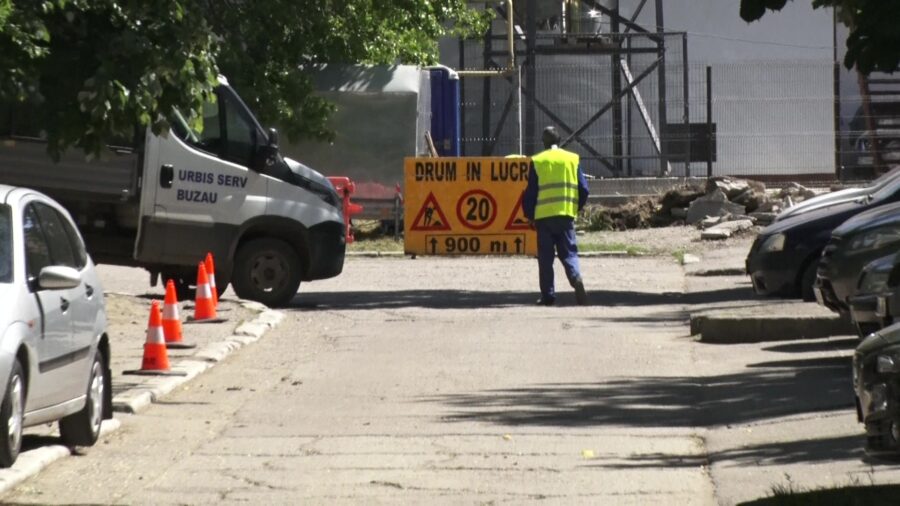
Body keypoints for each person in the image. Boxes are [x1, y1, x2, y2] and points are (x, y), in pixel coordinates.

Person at [522, 126, 590, 306]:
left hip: (544, 218)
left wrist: (529, 214)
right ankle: (576, 278)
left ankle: (548, 296)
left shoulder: (538, 160)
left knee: (545, 258)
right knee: (569, 253)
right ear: (560, 141)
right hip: (566, 215)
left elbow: (531, 192)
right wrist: (575, 207)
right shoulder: (572, 159)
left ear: (543, 142)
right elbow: (584, 189)